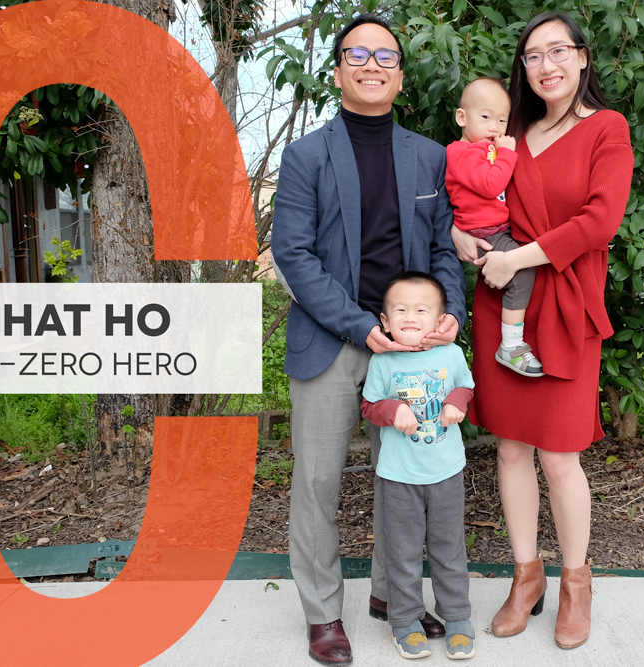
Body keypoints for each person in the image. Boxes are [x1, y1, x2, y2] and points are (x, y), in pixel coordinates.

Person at [270, 13, 467, 665]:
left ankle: (393, 597)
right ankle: (324, 613)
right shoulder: (305, 157)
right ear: (337, 72)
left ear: (400, 76)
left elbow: (443, 247)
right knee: (319, 481)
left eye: (385, 56)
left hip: (414, 346)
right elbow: (294, 256)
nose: (371, 64)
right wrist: (361, 326)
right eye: (357, 53)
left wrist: (450, 317)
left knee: (403, 477)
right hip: (334, 340)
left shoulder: (429, 156)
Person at [450, 11, 634, 650]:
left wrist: (518, 258)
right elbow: (466, 200)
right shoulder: (509, 131)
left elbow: (600, 222)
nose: (546, 65)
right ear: (521, 69)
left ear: (583, 58)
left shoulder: (606, 129)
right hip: (501, 303)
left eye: (558, 51)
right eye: (532, 56)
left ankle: (575, 582)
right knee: (508, 448)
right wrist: (458, 235)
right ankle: (525, 577)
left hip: (563, 301)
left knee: (559, 455)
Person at [360, 272, 476, 660]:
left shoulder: (451, 354)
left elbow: (465, 385)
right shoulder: (382, 360)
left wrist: (457, 403)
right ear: (384, 320)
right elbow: (369, 405)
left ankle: (457, 617)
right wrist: (393, 411)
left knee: (449, 548)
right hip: (398, 476)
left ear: (440, 318)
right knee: (403, 552)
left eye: (422, 310)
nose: (411, 316)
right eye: (401, 310)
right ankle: (405, 620)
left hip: (446, 472)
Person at [446, 77, 543, 378]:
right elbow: (491, 185)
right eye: (485, 117)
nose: (495, 127)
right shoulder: (462, 152)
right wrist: (508, 154)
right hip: (484, 232)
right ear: (462, 118)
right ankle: (511, 345)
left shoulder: (479, 149)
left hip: (493, 227)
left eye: (502, 120)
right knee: (524, 269)